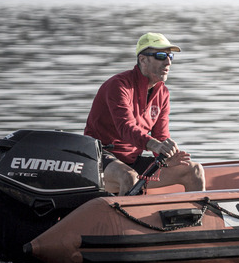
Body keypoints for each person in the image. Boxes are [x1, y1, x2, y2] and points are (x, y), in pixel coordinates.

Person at [84, 32, 205, 195]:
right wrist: (154, 144)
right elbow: (126, 128)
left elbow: (161, 136)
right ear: (143, 59)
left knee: (195, 171)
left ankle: (197, 220)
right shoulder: (119, 86)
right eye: (161, 55)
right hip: (100, 157)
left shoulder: (163, 93)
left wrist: (166, 155)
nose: (168, 61)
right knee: (129, 178)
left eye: (170, 56)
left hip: (132, 160)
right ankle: (121, 219)